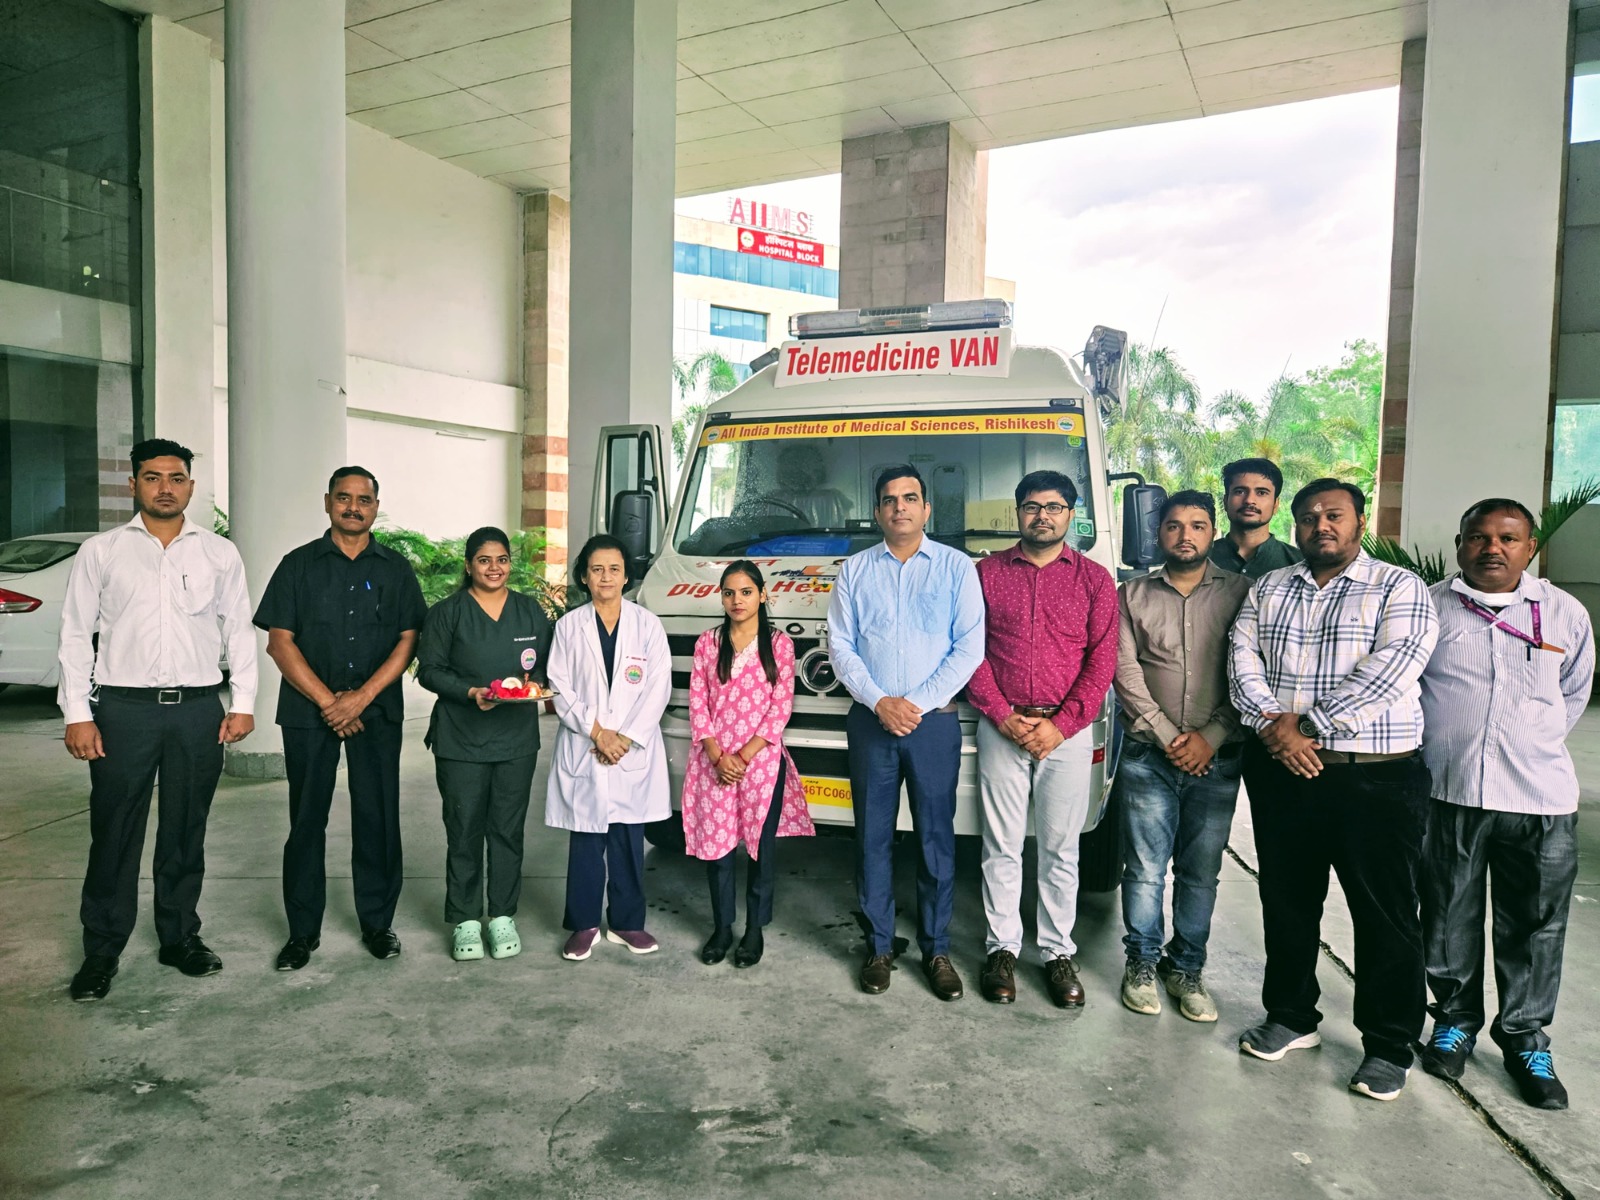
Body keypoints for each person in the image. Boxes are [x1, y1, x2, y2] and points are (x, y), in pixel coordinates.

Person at [1228, 478, 1438, 1102]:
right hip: (1283, 772)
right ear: (1294, 525)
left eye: (1335, 514)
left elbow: (1394, 667)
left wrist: (1308, 727)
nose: (1321, 524)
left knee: (1384, 912)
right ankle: (1291, 1016)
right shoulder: (1270, 587)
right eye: (1309, 516)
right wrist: (1274, 727)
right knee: (1287, 900)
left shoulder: (1398, 587)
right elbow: (1241, 661)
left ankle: (1389, 1045)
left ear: (1359, 522)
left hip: (1374, 775)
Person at [59, 439, 257, 1001]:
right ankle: (102, 950)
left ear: (190, 485)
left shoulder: (219, 553)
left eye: (175, 478)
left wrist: (242, 702)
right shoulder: (102, 551)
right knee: (114, 830)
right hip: (123, 710)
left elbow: (238, 628)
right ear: (134, 485)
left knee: (185, 828)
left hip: (197, 709)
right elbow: (74, 633)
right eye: (152, 477)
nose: (165, 488)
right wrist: (78, 712)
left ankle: (179, 937)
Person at [1416, 499, 1595, 1110]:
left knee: (1537, 925)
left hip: (1540, 798)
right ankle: (1455, 1022)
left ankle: (1525, 1038)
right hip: (1450, 791)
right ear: (1460, 543)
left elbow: (1573, 693)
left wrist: (1527, 743)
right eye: (1479, 537)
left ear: (1530, 547)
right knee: (1446, 917)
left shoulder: (1565, 613)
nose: (1492, 548)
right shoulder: (1430, 607)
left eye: (1508, 538)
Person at [254, 467, 427, 970]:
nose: (354, 507)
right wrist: (331, 702)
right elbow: (279, 642)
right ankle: (301, 933)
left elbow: (409, 639)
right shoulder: (297, 565)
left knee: (378, 816)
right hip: (308, 713)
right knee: (306, 819)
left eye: (364, 499)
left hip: (377, 711)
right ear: (328, 501)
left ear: (376, 507)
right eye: (344, 498)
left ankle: (378, 923)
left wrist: (362, 698)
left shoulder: (396, 569)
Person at [828, 465, 985, 1000]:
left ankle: (936, 949)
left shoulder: (957, 568)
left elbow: (969, 647)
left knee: (936, 839)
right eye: (890, 499)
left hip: (931, 725)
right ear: (877, 512)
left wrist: (911, 706)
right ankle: (878, 946)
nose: (900, 507)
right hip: (870, 722)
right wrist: (880, 702)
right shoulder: (854, 571)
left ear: (927, 509)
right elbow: (840, 646)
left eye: (910, 498)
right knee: (871, 838)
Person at [965, 470, 1116, 1008]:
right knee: (1000, 846)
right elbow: (969, 650)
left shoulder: (1094, 580)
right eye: (1032, 506)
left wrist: (1062, 724)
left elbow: (1102, 660)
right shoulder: (985, 574)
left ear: (1071, 514)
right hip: (1001, 726)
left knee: (1060, 849)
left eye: (1054, 507)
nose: (1042, 516)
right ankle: (1001, 949)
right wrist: (1002, 715)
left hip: (1065, 733)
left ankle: (1056, 952)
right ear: (1018, 513)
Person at [1112, 490, 1250, 1022]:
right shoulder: (1132, 595)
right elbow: (1126, 674)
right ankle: (1142, 964)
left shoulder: (1244, 593)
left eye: (1196, 525)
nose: (1184, 535)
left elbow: (1251, 672)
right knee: (1145, 869)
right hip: (1148, 756)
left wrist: (1210, 736)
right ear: (1159, 534)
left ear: (1213, 531)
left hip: (1219, 758)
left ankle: (1187, 969)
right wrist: (1172, 737)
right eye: (1173, 525)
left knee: (1200, 872)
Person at [417, 527, 554, 963]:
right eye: (484, 560)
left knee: (508, 831)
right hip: (461, 740)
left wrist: (537, 686)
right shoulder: (448, 613)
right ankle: (465, 920)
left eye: (502, 559)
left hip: (516, 742)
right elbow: (429, 670)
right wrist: (470, 692)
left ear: (510, 563)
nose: (494, 568)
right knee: (464, 829)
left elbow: (546, 667)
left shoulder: (529, 611)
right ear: (468, 565)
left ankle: (502, 915)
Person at [545, 534, 672, 961]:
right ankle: (583, 925)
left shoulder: (647, 625)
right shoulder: (569, 627)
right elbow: (559, 686)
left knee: (627, 839)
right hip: (588, 744)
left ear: (626, 576)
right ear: (584, 576)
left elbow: (658, 687)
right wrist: (598, 733)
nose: (605, 577)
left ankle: (626, 923)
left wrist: (625, 738)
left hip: (630, 750)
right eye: (596, 569)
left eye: (614, 569)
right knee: (586, 840)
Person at [683, 561, 815, 968]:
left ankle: (754, 929)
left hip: (761, 764)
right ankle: (722, 928)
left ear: (762, 595)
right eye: (729, 593)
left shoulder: (779, 645)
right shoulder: (708, 643)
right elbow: (697, 702)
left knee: (760, 849)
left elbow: (780, 708)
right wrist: (715, 754)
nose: (736, 600)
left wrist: (742, 756)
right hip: (714, 763)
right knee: (718, 849)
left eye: (745, 592)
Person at [1209, 457, 1303, 579]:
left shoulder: (1299, 564)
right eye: (1240, 491)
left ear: (1275, 504)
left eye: (1261, 493)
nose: (1249, 500)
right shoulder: (1200, 558)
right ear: (1226, 501)